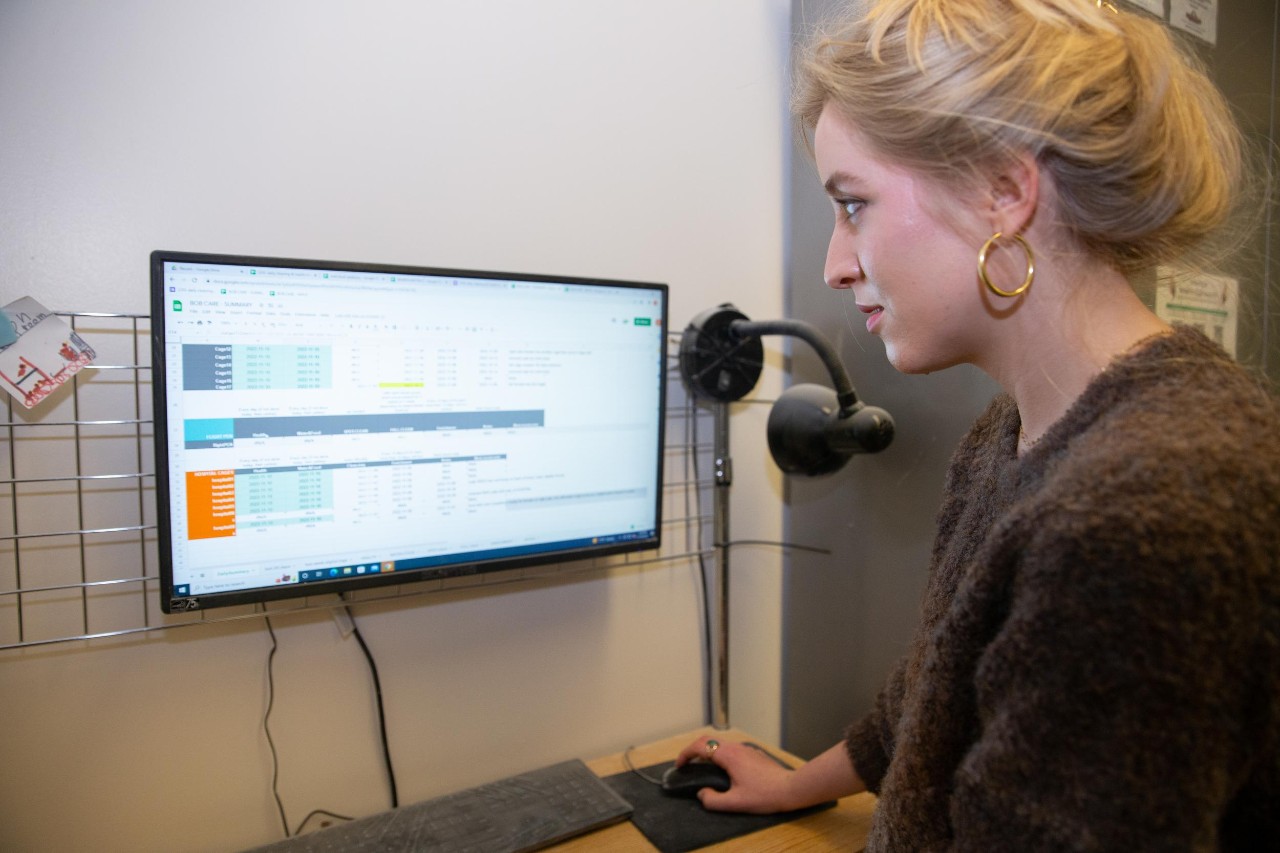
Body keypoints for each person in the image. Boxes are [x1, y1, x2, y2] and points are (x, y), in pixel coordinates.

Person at [675, 0, 1280, 849]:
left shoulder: (1143, 514)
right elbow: (940, 689)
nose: (836, 264)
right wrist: (796, 783)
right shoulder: (1015, 431)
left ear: (1003, 191)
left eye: (853, 206)